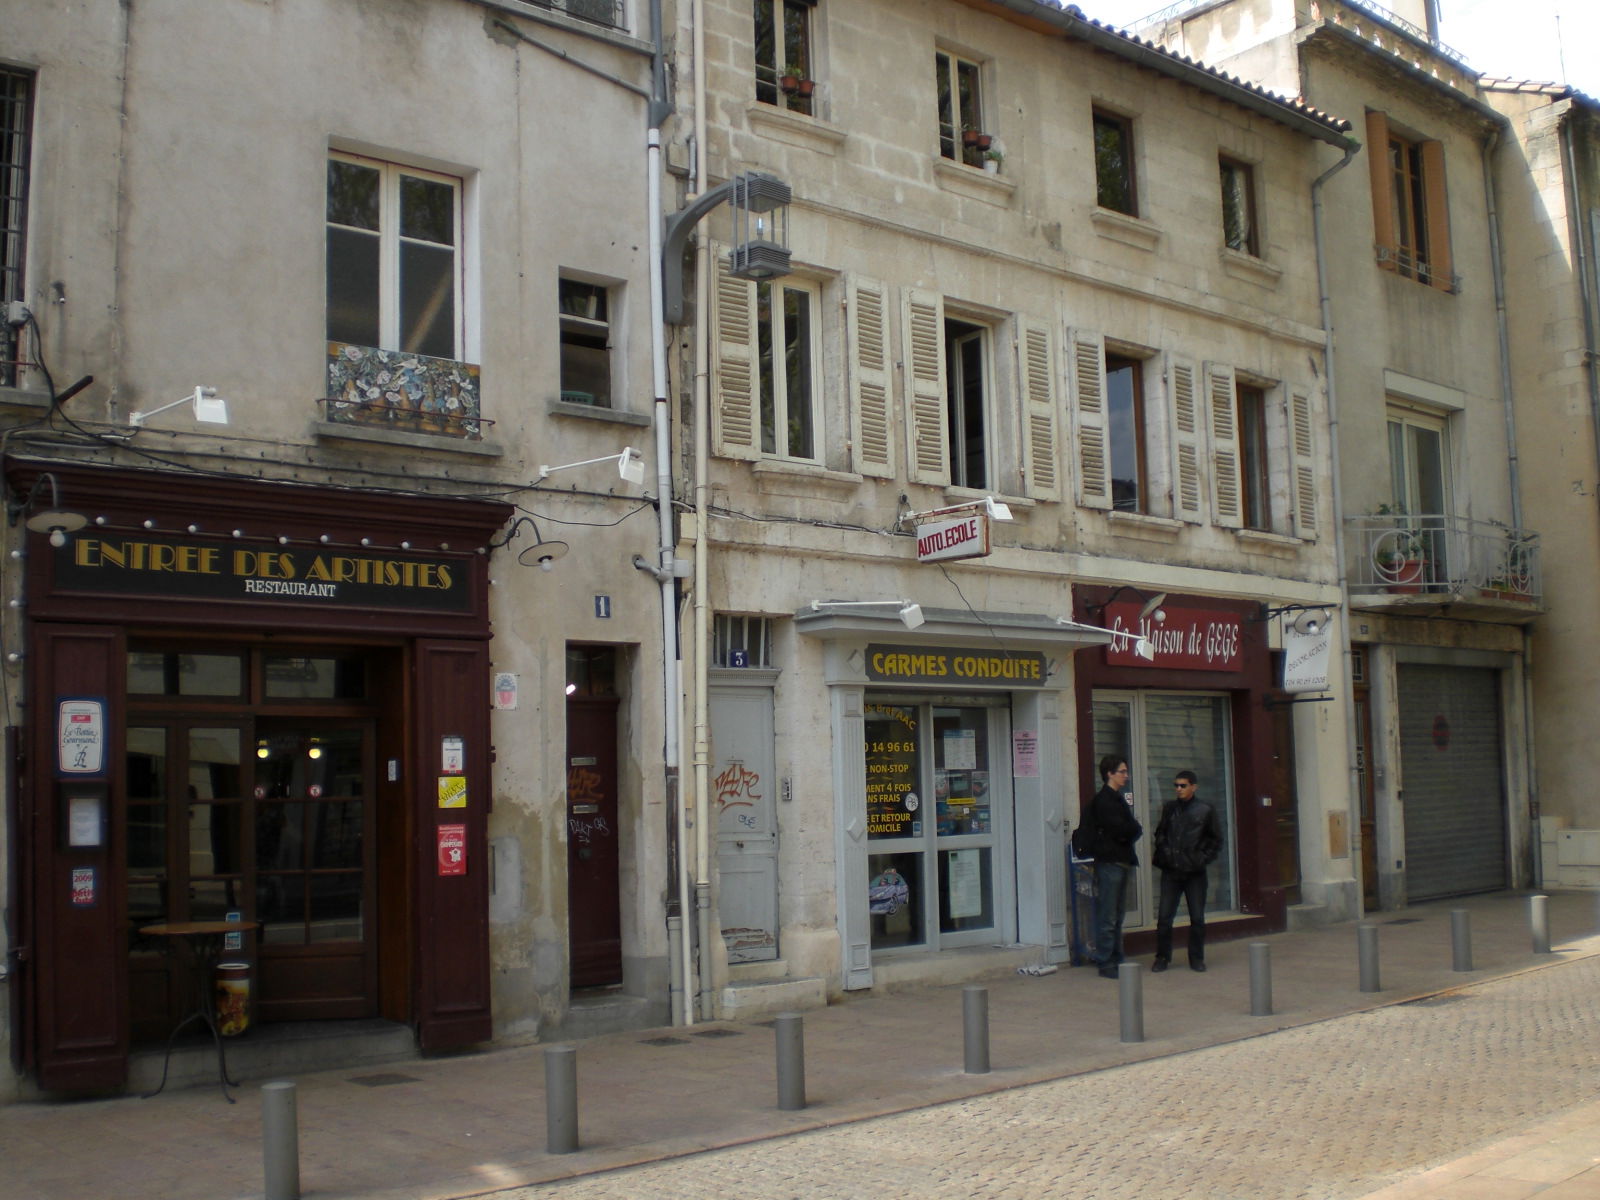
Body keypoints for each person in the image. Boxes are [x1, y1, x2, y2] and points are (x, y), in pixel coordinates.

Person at [1151, 769, 1224, 973]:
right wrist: (1165, 851)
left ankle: (1196, 957)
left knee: (1197, 918)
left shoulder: (1205, 810)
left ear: (1194, 786)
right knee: (1164, 917)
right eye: (1176, 785)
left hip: (1194, 872)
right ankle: (1162, 957)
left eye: (1183, 785)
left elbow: (1215, 839)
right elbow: (1160, 832)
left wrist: (1202, 858)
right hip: (1172, 870)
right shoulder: (1169, 808)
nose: (1179, 789)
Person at [1084, 754, 1142, 979]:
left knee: (1117, 914)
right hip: (1110, 862)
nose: (1126, 776)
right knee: (1108, 915)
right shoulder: (1105, 801)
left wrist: (1130, 829)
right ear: (1109, 774)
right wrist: (1130, 829)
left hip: (1121, 860)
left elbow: (1133, 828)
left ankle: (1117, 957)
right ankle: (1106, 960)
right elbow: (1123, 830)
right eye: (1122, 772)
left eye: (1126, 772)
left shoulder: (1117, 799)